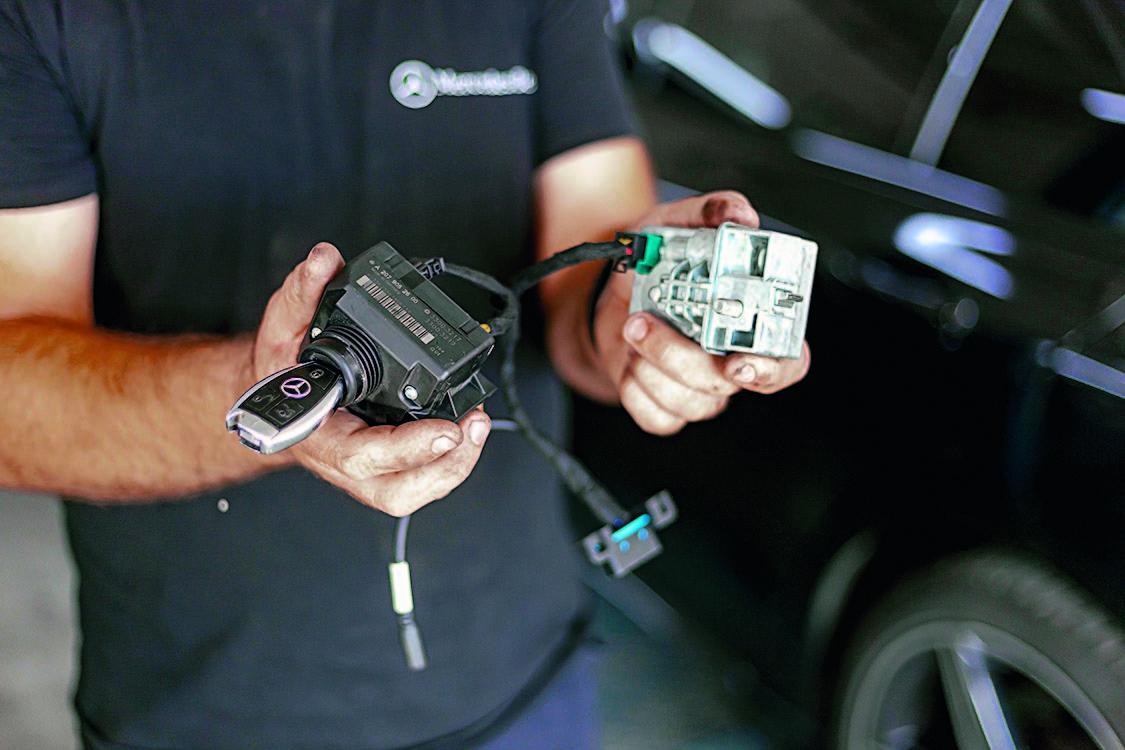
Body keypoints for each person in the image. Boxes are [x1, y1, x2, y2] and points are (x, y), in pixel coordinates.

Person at [0, 1, 811, 748]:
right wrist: (271, 392)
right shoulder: (47, 15)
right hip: (200, 713)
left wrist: (634, 331)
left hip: (522, 688)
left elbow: (582, 292)